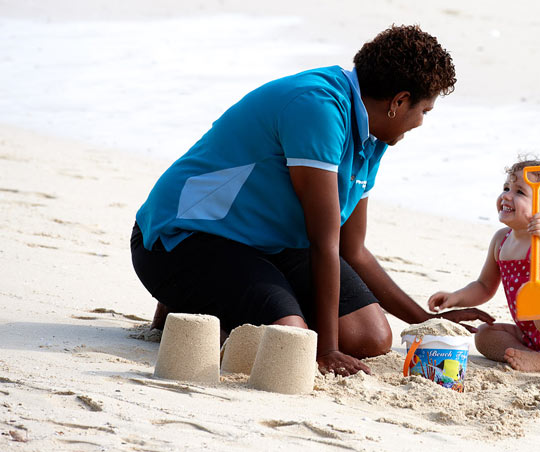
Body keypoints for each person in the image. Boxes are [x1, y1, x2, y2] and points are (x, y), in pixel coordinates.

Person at [130, 25, 494, 377]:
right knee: (291, 339)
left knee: (371, 337)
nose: (420, 123)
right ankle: (188, 306)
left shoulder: (374, 136)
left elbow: (352, 250)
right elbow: (325, 242)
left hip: (268, 244)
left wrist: (424, 320)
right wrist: (327, 350)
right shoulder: (318, 108)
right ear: (398, 102)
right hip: (182, 241)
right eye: (424, 111)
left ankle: (222, 306)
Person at [427, 159, 540, 383]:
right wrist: (456, 297)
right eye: (506, 188)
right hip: (534, 334)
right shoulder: (501, 240)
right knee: (484, 335)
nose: (506, 196)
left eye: (520, 192)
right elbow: (484, 286)